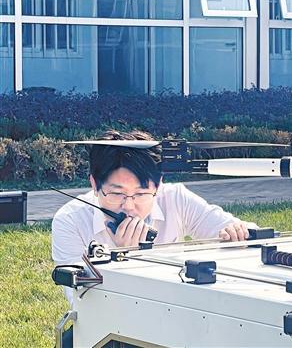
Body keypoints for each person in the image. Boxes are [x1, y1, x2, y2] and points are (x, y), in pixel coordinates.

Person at [52, 130, 255, 305]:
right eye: (116, 194)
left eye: (141, 194)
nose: (129, 206)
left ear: (158, 186)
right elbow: (81, 302)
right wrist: (123, 262)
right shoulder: (70, 221)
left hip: (174, 308)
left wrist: (237, 232)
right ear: (95, 185)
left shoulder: (176, 199)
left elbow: (240, 230)